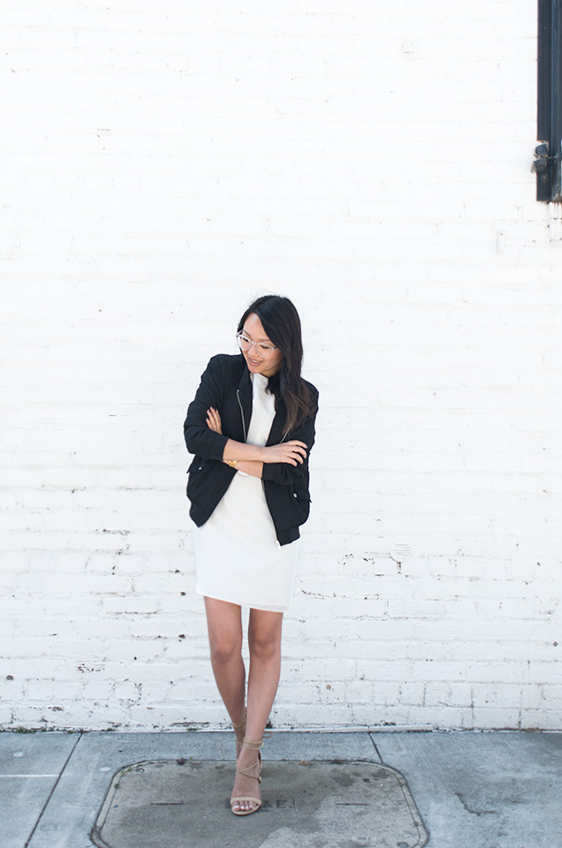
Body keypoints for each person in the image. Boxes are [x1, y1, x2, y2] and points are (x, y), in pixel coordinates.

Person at [183, 294, 319, 816]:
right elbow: (195, 436)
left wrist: (231, 449)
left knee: (263, 642)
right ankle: (245, 733)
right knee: (224, 647)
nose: (252, 351)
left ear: (286, 347)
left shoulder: (303, 398)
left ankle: (248, 760)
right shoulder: (222, 371)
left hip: (269, 530)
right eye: (245, 338)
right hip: (220, 522)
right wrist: (261, 453)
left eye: (264, 344)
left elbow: (290, 470)